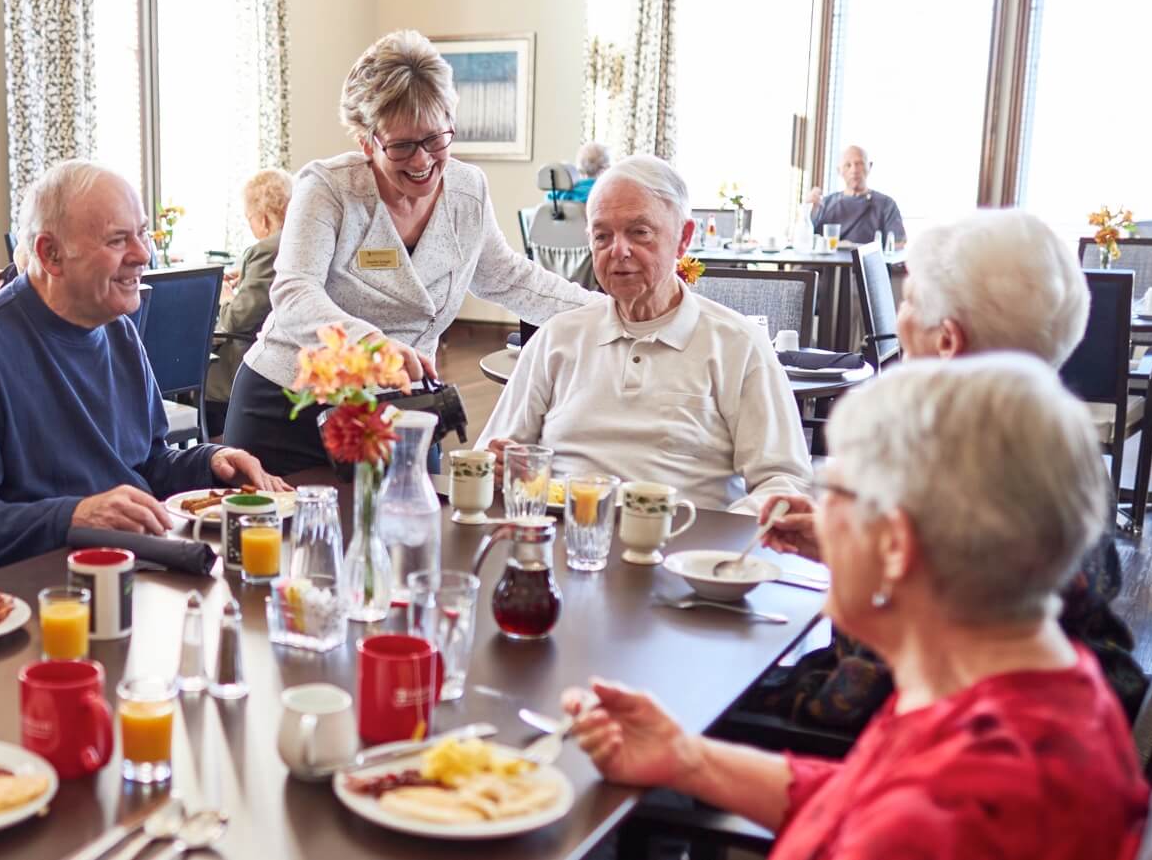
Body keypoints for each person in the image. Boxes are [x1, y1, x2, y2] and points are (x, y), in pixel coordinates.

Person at [563, 355, 1151, 860]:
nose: (820, 516)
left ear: (895, 545)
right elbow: (866, 791)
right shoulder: (1024, 680)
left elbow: (896, 814)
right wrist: (687, 760)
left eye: (836, 494)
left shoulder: (934, 821)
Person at [751, 209, 1148, 727]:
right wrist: (852, 546)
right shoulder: (1060, 448)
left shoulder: (946, 477)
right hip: (1075, 707)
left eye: (910, 301)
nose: (900, 317)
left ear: (947, 342)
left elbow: (858, 699)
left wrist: (737, 698)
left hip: (946, 750)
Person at [225, 29, 598, 474]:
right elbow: (294, 292)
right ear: (366, 140)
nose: (422, 162)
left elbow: (510, 278)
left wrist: (607, 312)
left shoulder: (467, 191)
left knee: (410, 538)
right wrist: (372, 347)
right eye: (402, 145)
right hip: (289, 406)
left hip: (404, 409)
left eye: (435, 139)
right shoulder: (329, 188)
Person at [0, 161, 286, 575]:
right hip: (42, 590)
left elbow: (147, 463)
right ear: (50, 254)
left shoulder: (118, 330)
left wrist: (211, 460)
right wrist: (75, 516)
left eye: (142, 233)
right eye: (118, 240)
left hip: (132, 568)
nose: (143, 254)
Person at [478, 155, 811, 514]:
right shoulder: (559, 336)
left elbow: (782, 481)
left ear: (683, 239)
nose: (618, 251)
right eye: (602, 236)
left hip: (682, 550)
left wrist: (716, 544)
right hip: (563, 542)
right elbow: (493, 455)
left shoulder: (737, 345)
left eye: (640, 232)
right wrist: (497, 467)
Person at [206, 168, 292, 435]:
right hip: (282, 352)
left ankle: (213, 444)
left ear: (264, 218)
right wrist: (244, 277)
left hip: (251, 360)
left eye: (249, 218)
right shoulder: (292, 241)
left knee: (196, 366)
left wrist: (225, 296)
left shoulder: (266, 249)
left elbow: (237, 320)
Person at [809, 146, 904, 246]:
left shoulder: (886, 204)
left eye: (859, 164)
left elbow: (898, 243)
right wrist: (808, 212)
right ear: (839, 170)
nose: (854, 170)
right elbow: (805, 242)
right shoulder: (824, 203)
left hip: (865, 261)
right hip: (827, 261)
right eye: (848, 165)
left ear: (870, 166)